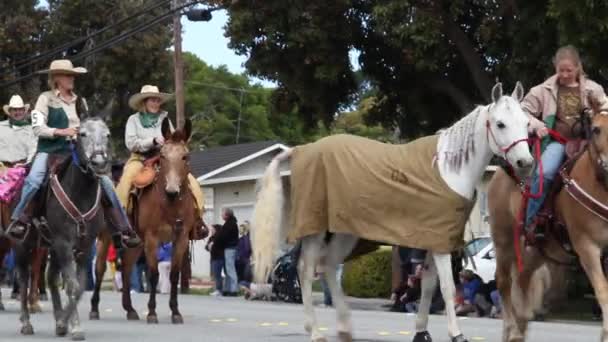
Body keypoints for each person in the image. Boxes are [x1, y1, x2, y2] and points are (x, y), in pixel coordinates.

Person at [6, 59, 140, 248]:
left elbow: (86, 125)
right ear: (56, 78)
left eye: (73, 76)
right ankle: (20, 219)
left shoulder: (81, 101)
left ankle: (123, 229)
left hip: (75, 151)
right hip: (50, 150)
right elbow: (37, 128)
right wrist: (61, 132)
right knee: (35, 179)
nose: (72, 79)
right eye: (68, 75)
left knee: (106, 182)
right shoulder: (45, 99)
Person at [522, 45, 608, 234]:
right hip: (559, 142)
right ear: (555, 68)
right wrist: (537, 126)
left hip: (588, 143)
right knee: (545, 174)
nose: (565, 74)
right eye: (561, 70)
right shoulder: (542, 90)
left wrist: (599, 107)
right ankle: (532, 220)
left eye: (569, 70)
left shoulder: (594, 88)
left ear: (578, 68)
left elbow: (605, 110)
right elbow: (523, 111)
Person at [115, 85, 207, 240]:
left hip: (164, 158)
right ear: (144, 102)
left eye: (157, 100)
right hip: (140, 158)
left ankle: (197, 221)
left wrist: (174, 144)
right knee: (125, 182)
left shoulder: (165, 118)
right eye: (152, 100)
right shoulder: (134, 120)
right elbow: (130, 143)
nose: (155, 103)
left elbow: (172, 140)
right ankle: (123, 225)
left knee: (192, 182)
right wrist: (151, 141)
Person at [213, 208, 239, 296]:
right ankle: (228, 289)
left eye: (222, 213)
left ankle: (233, 289)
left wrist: (216, 242)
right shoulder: (230, 223)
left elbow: (223, 237)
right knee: (228, 270)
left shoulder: (230, 224)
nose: (221, 215)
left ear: (227, 215)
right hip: (228, 248)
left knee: (230, 269)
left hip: (230, 249)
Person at [206, 224, 224, 296]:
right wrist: (209, 246)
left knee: (218, 275)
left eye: (213, 229)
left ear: (217, 230)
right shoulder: (211, 238)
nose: (211, 230)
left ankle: (219, 290)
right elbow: (206, 247)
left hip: (219, 258)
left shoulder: (220, 238)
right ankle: (217, 289)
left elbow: (219, 248)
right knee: (215, 274)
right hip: (213, 258)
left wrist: (212, 246)